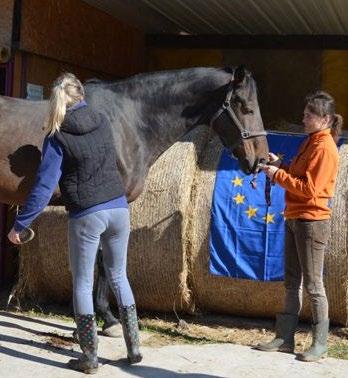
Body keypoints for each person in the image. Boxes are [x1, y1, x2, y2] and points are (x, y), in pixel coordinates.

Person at [8, 72, 142, 374]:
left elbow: (44, 186)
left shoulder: (57, 135)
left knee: (82, 283)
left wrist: (21, 224)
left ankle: (90, 358)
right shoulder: (104, 121)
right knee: (119, 276)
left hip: (87, 214)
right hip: (119, 209)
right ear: (81, 94)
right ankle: (134, 349)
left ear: (57, 101)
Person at [256, 91, 342, 362]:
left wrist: (277, 175)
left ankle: (320, 344)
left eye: (309, 115)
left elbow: (310, 189)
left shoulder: (325, 147)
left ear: (325, 118)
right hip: (295, 217)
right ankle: (284, 338)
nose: (303, 118)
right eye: (304, 114)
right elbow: (299, 174)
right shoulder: (311, 141)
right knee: (292, 283)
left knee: (314, 285)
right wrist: (282, 164)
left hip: (311, 222)